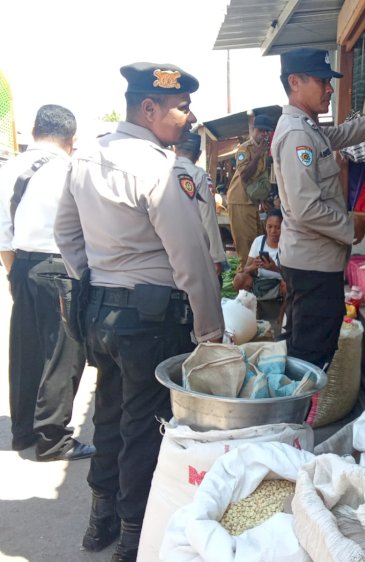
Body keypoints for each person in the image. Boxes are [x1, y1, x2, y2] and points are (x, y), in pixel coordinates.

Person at [55, 62, 224, 562]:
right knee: (143, 426)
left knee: (106, 416)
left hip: (101, 315)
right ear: (149, 108)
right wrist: (211, 331)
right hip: (150, 319)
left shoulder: (86, 157)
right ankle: (132, 539)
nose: (188, 116)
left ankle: (98, 521)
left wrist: (96, 276)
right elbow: (189, 256)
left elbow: (65, 232)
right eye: (181, 106)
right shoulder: (159, 167)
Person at [272, 47, 365, 369]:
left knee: (307, 347)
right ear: (295, 82)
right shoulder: (298, 135)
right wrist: (350, 226)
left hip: (314, 262)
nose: (329, 88)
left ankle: (298, 410)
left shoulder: (309, 129)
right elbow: (306, 208)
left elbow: (343, 133)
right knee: (312, 355)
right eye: (322, 81)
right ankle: (300, 413)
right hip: (313, 266)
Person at [0, 104, 92, 461]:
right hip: (59, 269)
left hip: (22, 265)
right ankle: (53, 439)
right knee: (63, 355)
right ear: (72, 139)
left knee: (26, 351)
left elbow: (3, 234)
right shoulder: (70, 169)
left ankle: (23, 431)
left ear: (35, 130)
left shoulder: (11, 167)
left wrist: (14, 272)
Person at [174, 132, 227, 280]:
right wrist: (216, 257)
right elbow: (207, 216)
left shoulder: (162, 172)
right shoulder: (199, 176)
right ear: (198, 155)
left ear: (175, 149)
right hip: (193, 248)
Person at [226, 114, 275, 270]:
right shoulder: (244, 149)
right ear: (253, 130)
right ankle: (242, 287)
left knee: (256, 242)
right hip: (240, 200)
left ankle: (253, 287)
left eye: (266, 132)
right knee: (246, 249)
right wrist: (259, 155)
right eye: (261, 131)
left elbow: (258, 180)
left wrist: (262, 200)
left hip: (252, 202)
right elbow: (245, 175)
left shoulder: (262, 150)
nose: (264, 135)